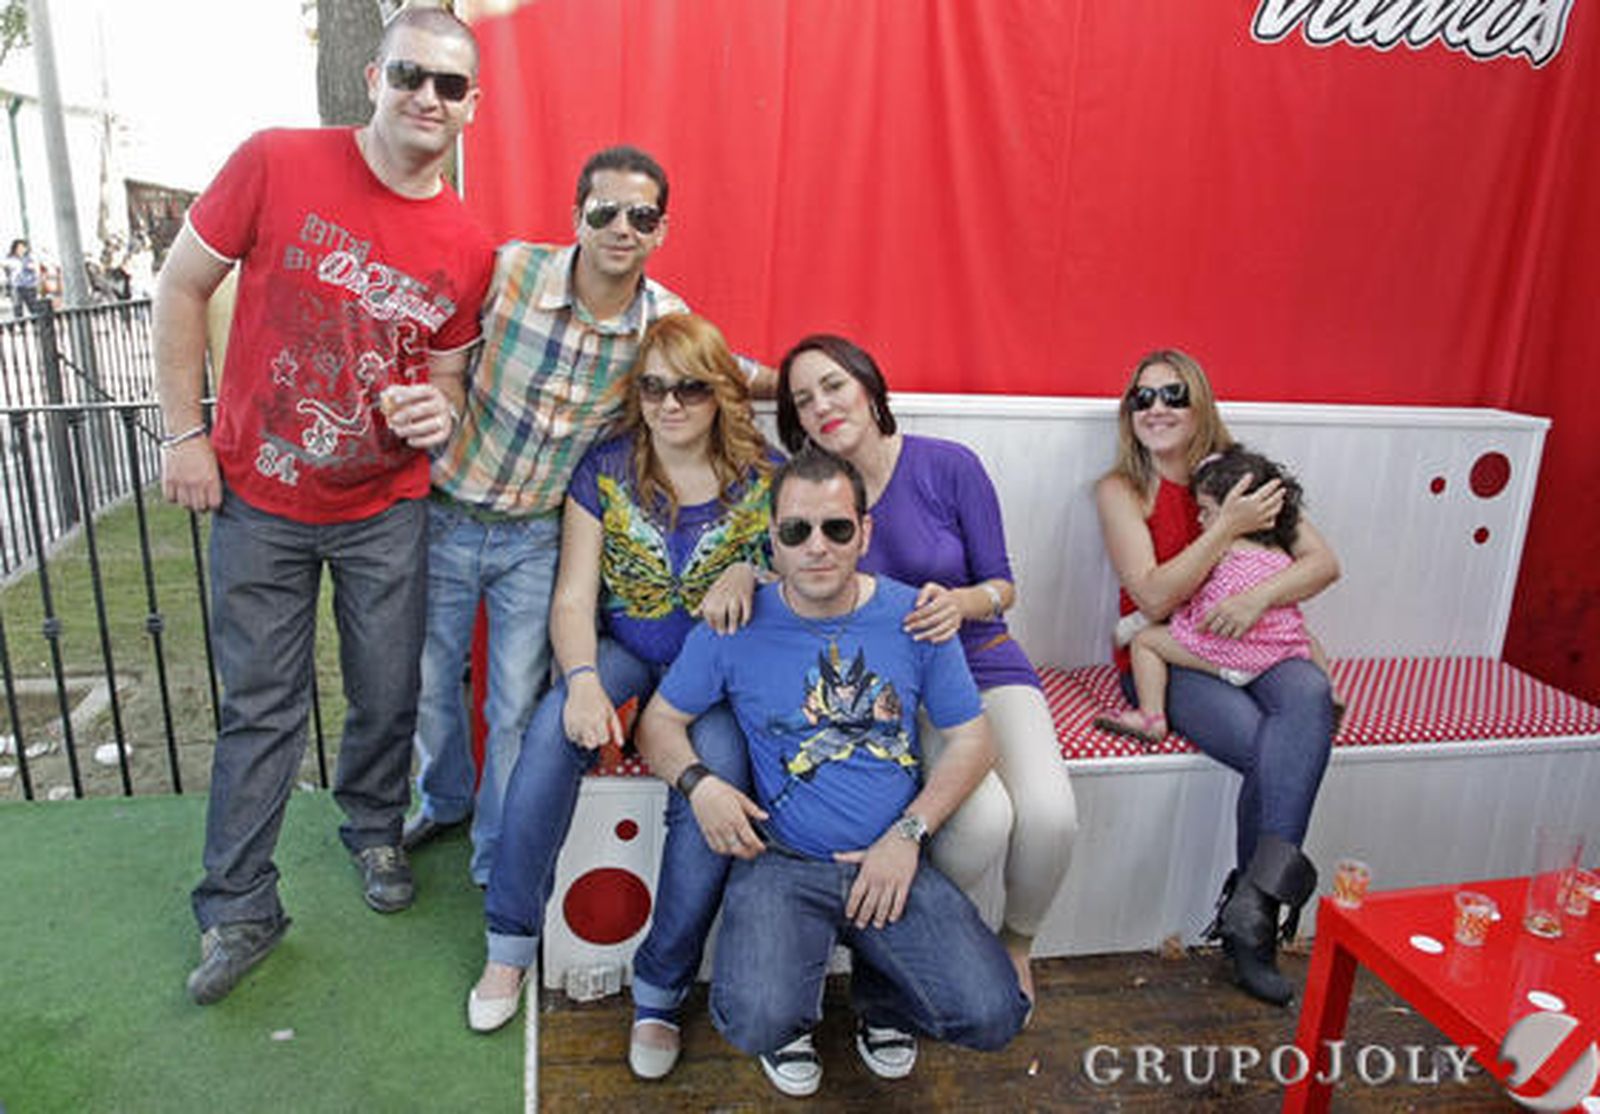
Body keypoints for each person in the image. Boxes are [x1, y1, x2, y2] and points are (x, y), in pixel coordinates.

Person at [153, 7, 494, 1005]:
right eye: (410, 75)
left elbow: (451, 384)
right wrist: (184, 435)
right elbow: (180, 290)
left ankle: (375, 830)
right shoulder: (275, 160)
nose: (427, 97)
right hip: (260, 494)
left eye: (450, 84)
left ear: (474, 106)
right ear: (373, 77)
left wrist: (442, 406)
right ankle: (238, 906)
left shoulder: (466, 246)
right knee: (261, 705)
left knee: (387, 693)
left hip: (384, 504)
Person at [406, 145, 776, 886]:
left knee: (512, 703)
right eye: (603, 211)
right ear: (577, 216)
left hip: (537, 531)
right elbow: (434, 325)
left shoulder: (663, 320)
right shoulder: (508, 271)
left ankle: (494, 858)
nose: (620, 227)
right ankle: (440, 798)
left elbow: (722, 370)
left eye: (640, 215)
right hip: (447, 510)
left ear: (661, 229)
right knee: (426, 681)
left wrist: (821, 388)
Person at [637, 446, 1029, 1098]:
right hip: (782, 859)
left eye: (836, 528)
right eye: (796, 531)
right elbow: (658, 723)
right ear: (773, 541)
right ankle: (791, 1013)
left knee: (994, 1015)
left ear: (864, 533)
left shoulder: (915, 616)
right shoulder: (735, 622)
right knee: (755, 1018)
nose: (817, 546)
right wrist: (697, 784)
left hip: (890, 856)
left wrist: (909, 834)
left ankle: (884, 1002)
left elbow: (973, 739)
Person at [465, 314, 774, 1058]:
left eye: (691, 388)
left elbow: (808, 570)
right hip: (624, 644)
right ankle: (508, 945)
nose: (671, 404)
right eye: (654, 387)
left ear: (722, 394)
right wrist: (579, 681)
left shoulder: (767, 478)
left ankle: (661, 988)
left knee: (720, 773)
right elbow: (572, 597)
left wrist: (753, 570)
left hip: (715, 668)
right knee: (549, 730)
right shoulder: (605, 470)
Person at [774, 334, 1076, 1006]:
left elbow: (1004, 584)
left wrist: (963, 602)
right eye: (802, 400)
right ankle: (905, 932)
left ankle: (1015, 943)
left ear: (869, 386)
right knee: (986, 817)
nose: (821, 405)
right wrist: (742, 573)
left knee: (1051, 815)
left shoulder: (949, 465)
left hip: (984, 661)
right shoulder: (814, 496)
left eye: (833, 385)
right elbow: (784, 578)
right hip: (893, 692)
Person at [1094, 349, 1340, 1006]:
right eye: (1141, 398)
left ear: (1199, 400)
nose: (1157, 409)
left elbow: (1321, 562)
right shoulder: (1121, 490)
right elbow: (1151, 599)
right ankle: (1254, 932)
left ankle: (1249, 904)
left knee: (1310, 695)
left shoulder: (1242, 473)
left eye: (1172, 393)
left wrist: (1258, 599)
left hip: (1256, 643)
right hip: (1172, 655)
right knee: (1275, 746)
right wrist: (1226, 525)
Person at [1095, 444, 1340, 743]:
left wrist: (1129, 627)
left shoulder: (1220, 551)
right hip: (1274, 652)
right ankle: (1332, 692)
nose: (1200, 520)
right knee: (1304, 635)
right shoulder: (1278, 552)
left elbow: (1180, 599)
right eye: (1143, 400)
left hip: (1225, 651)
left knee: (1145, 642)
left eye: (1206, 513)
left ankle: (1151, 716)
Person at [6, 238, 43, 318]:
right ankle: (20, 326)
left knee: (33, 307)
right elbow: (7, 268)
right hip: (17, 285)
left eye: (23, 247)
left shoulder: (30, 257)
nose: (21, 249)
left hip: (29, 285)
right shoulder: (11, 259)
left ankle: (36, 324)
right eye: (19, 247)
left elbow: (36, 268)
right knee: (17, 307)